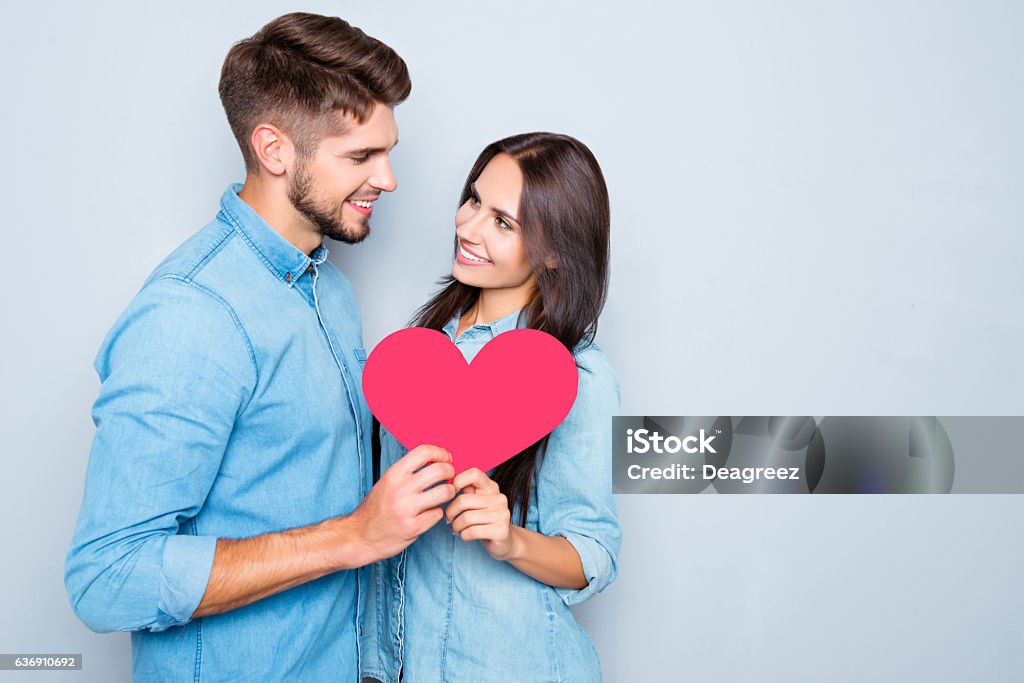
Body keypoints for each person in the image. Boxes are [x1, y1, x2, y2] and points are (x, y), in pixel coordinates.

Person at [64, 13, 456, 681]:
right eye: (361, 156)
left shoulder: (326, 287)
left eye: (388, 151)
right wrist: (354, 536)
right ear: (274, 150)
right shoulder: (192, 314)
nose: (388, 179)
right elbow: (107, 576)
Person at [362, 133, 621, 683]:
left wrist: (508, 539)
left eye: (503, 222)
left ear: (553, 250)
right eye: (474, 199)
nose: (468, 226)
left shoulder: (578, 375)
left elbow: (594, 555)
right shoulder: (418, 351)